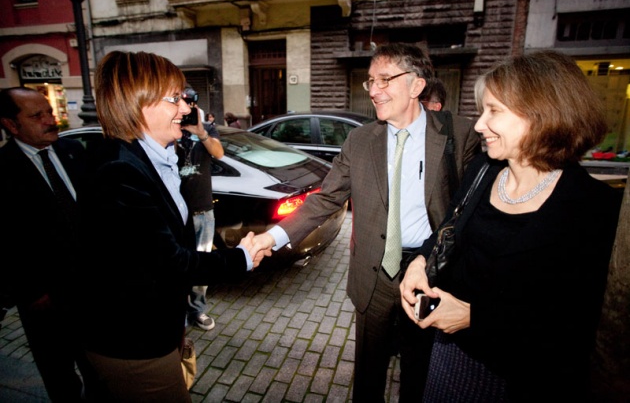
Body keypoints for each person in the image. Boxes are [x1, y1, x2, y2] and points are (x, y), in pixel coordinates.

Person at [252, 43, 481, 401]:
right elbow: (327, 198)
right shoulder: (359, 141)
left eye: (385, 80)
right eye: (370, 81)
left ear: (416, 85)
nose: (374, 90)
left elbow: (471, 209)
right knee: (369, 371)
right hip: (373, 273)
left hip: (429, 272)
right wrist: (273, 237)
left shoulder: (460, 133)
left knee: (418, 369)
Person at [399, 50, 623, 402]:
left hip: (517, 378)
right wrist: (419, 263)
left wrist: (475, 318)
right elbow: (448, 231)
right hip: (449, 357)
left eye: (494, 111)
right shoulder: (482, 172)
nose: (478, 124)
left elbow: (573, 326)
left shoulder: (594, 208)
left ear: (542, 116)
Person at [73, 50, 268, 401]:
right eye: (174, 98)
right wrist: (241, 258)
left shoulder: (153, 156)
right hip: (131, 342)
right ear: (137, 102)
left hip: (153, 326)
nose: (185, 108)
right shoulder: (119, 171)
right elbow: (169, 262)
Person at [0, 87, 95, 402]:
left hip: (94, 292)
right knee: (61, 378)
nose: (49, 120)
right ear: (11, 125)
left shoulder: (74, 151)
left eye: (50, 112)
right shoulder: (3, 169)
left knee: (100, 372)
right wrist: (32, 293)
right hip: (46, 302)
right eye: (37, 115)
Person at [177, 89, 224, 331]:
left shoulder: (206, 128)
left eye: (190, 104)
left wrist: (200, 132)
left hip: (203, 209)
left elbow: (219, 153)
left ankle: (197, 310)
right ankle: (179, 313)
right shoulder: (169, 130)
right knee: (178, 264)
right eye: (180, 102)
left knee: (201, 262)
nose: (185, 110)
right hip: (177, 212)